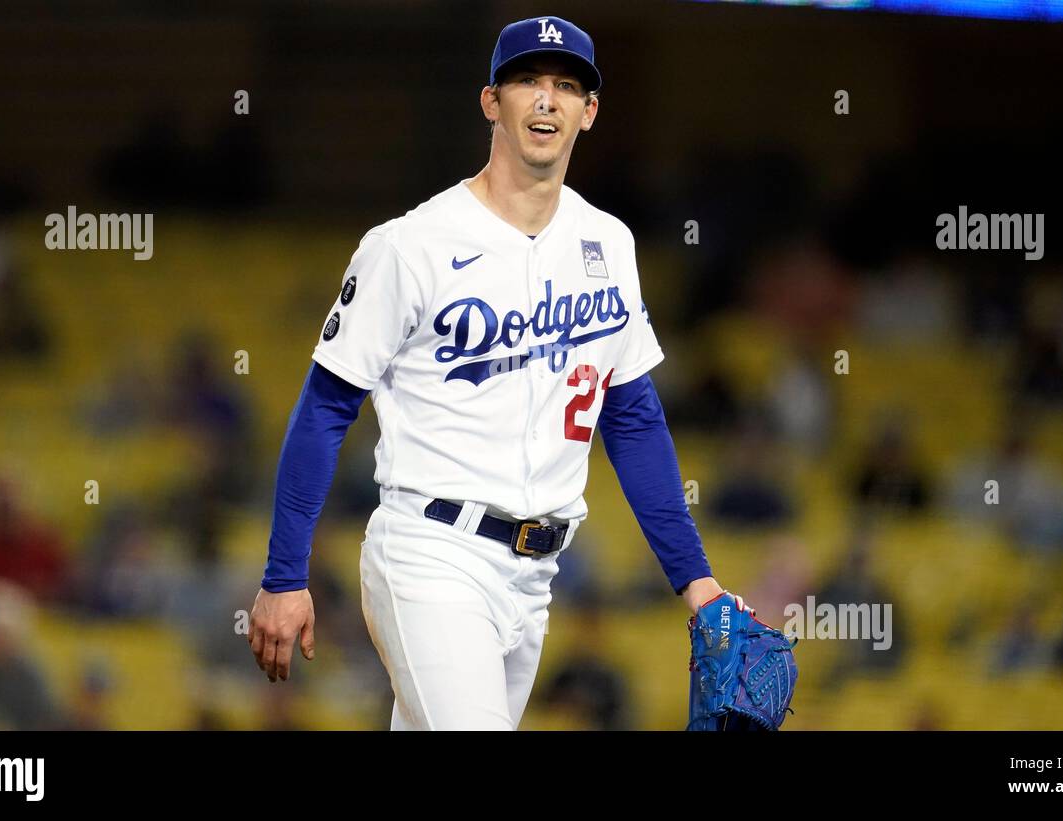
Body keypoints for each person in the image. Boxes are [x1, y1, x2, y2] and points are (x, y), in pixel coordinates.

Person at [248, 15, 751, 730]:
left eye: (566, 85)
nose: (546, 100)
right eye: (528, 82)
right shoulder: (409, 245)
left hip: (536, 574)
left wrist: (695, 579)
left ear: (590, 111)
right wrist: (283, 576)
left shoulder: (608, 242)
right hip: (431, 552)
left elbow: (633, 417)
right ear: (492, 102)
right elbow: (325, 407)